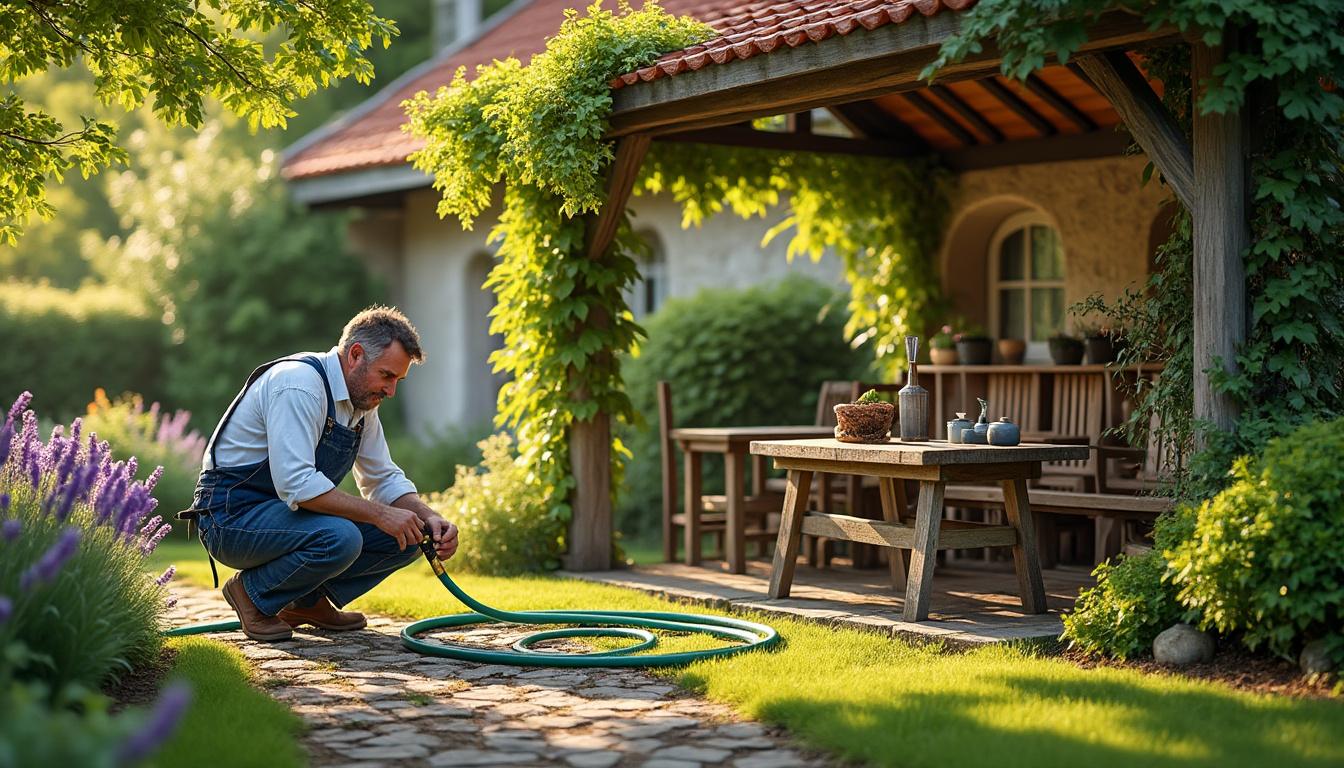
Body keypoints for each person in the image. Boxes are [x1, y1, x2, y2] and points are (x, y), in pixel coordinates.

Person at [181, 306, 459, 642]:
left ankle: (305, 601)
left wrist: (428, 517)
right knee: (341, 537)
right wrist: (381, 514)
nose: (391, 391)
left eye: (397, 380)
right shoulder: (299, 386)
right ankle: (250, 594)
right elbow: (296, 484)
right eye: (387, 376)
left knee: (412, 534)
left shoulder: (362, 405)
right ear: (356, 355)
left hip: (285, 515)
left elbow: (382, 478)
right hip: (230, 516)